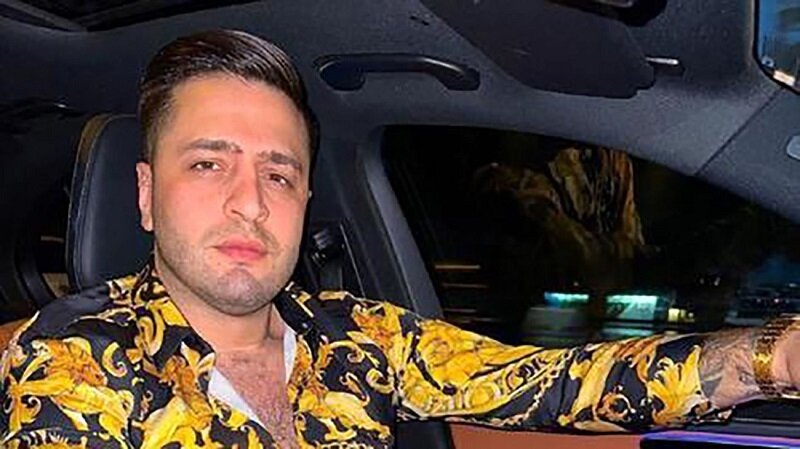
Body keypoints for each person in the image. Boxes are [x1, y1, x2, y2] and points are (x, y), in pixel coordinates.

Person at [1, 29, 798, 449]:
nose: (249, 202)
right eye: (209, 164)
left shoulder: (359, 334)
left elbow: (556, 381)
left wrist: (773, 358)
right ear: (146, 194)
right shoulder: (71, 360)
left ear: (305, 199)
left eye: (279, 172)